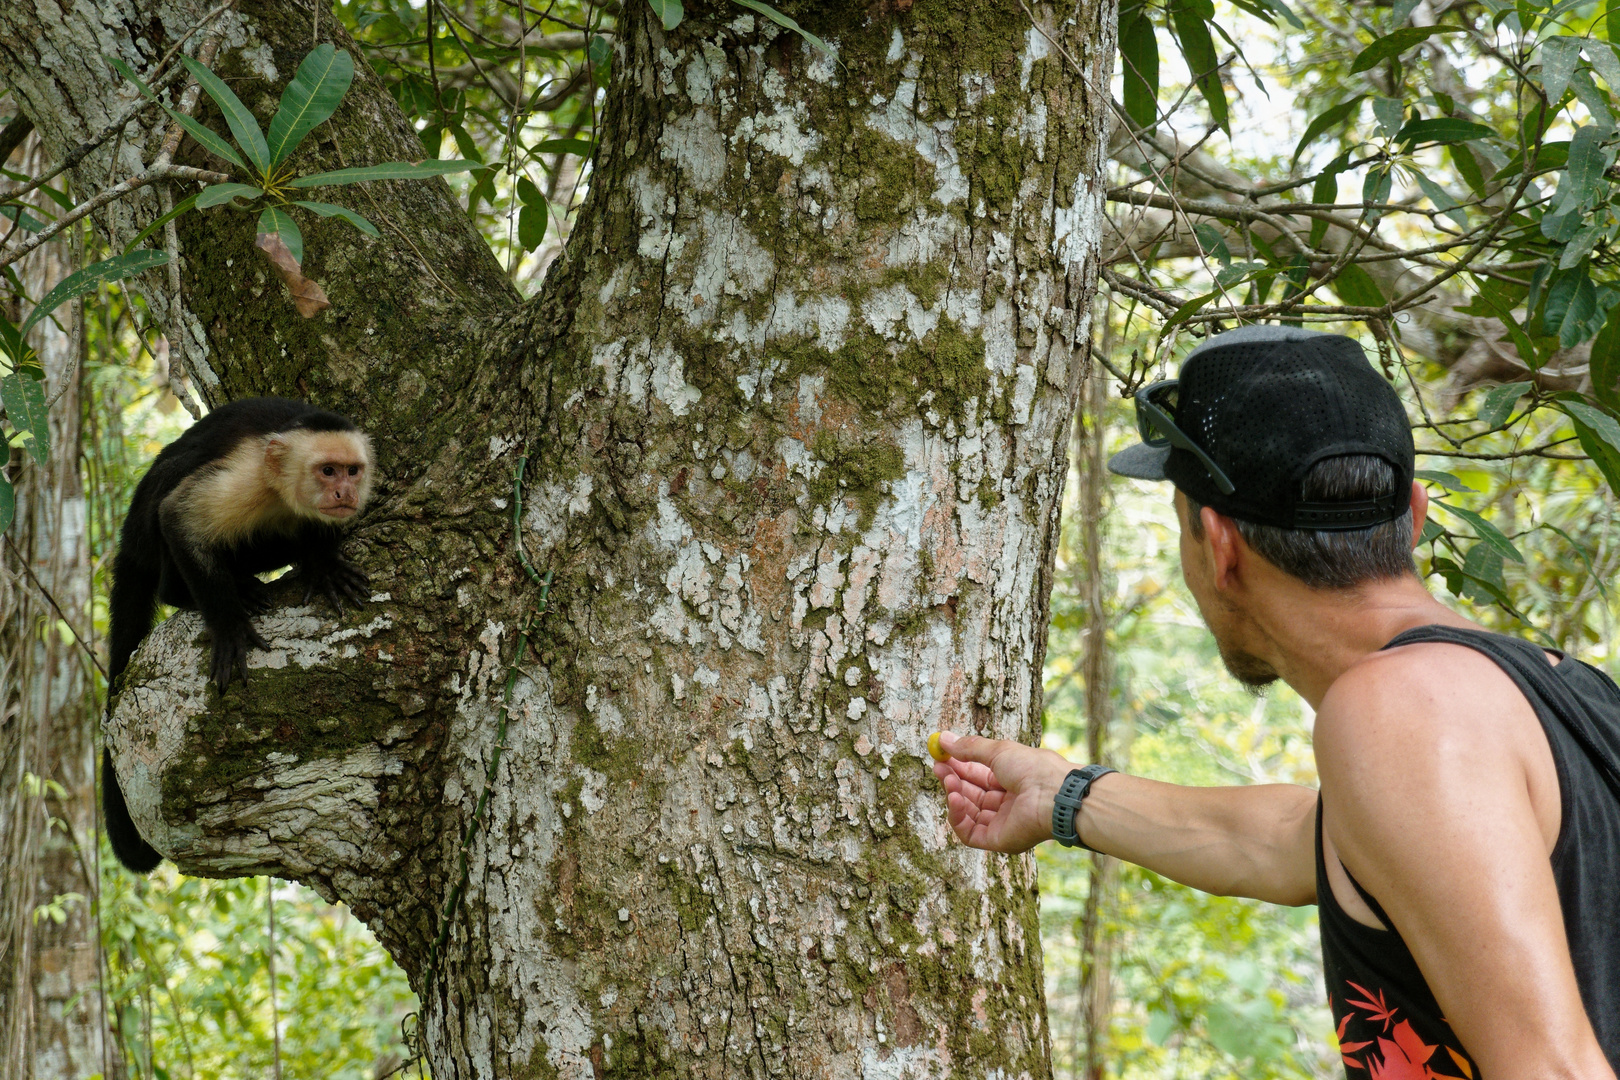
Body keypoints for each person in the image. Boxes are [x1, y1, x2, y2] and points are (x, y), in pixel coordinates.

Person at [929, 325, 1620, 1079]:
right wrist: (1061, 797)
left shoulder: (1405, 713)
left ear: (1219, 547)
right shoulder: (1560, 693)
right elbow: (1298, 841)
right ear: (1415, 517)